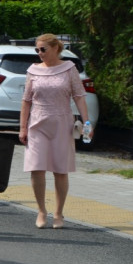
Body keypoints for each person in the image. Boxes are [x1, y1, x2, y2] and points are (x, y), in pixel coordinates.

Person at [19, 34, 92, 229]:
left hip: (62, 123)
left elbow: (79, 96)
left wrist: (87, 123)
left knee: (60, 170)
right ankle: (42, 210)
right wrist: (23, 127)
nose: (39, 53)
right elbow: (26, 100)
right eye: (37, 50)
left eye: (43, 49)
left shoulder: (69, 69)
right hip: (37, 123)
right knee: (36, 167)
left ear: (55, 49)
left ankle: (58, 212)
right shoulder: (33, 71)